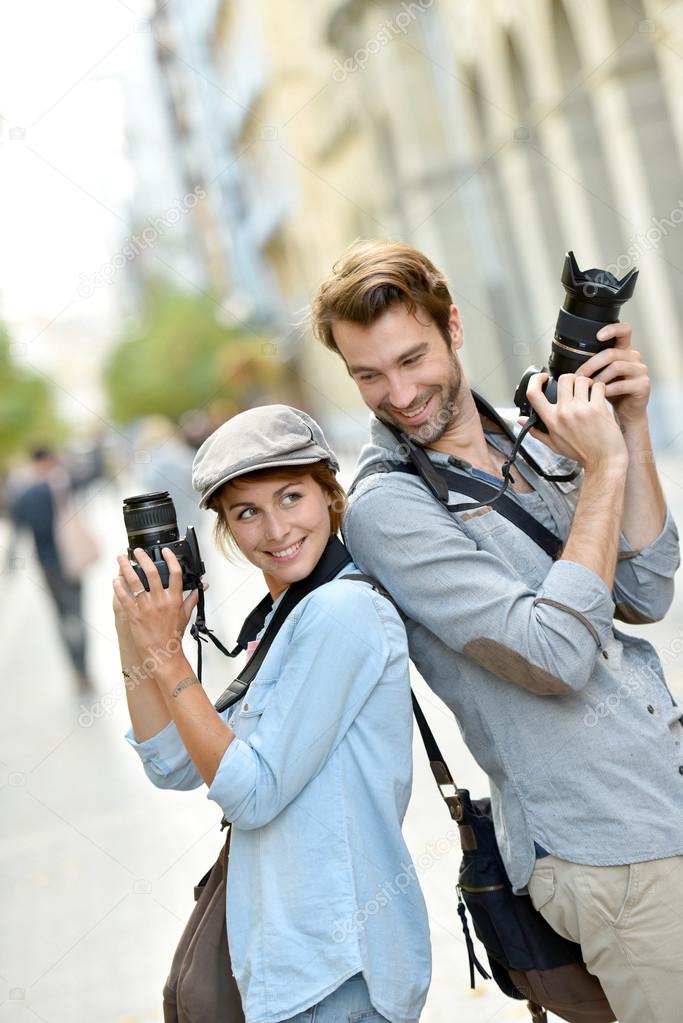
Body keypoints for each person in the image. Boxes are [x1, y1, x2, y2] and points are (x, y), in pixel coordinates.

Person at [310, 240, 683, 1023]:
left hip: (663, 797)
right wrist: (603, 472)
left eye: (412, 358)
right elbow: (551, 655)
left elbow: (644, 589)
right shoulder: (390, 507)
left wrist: (630, 426)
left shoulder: (529, 439)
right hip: (606, 851)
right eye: (368, 374)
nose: (399, 393)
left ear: (453, 326)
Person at [114, 404, 431, 1023]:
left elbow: (251, 793)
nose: (275, 529)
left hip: (339, 970)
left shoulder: (343, 613)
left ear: (329, 496)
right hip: (285, 968)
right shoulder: (283, 618)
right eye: (247, 513)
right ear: (227, 531)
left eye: (291, 497)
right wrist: (136, 632)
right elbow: (174, 763)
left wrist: (168, 655)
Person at [9, 447, 93, 690]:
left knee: (62, 616)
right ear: (49, 459)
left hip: (47, 565)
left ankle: (76, 670)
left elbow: (18, 529)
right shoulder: (61, 486)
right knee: (77, 612)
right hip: (72, 559)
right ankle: (84, 666)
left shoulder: (25, 494)